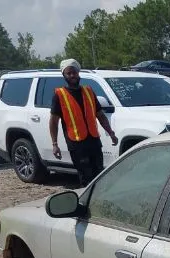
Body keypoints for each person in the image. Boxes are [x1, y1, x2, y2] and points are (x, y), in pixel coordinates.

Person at [49, 58, 118, 186]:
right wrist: (54, 144)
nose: (72, 75)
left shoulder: (89, 91)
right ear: (64, 75)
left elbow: (100, 115)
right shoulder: (59, 95)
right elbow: (53, 121)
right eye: (68, 73)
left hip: (94, 141)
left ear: (78, 73)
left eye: (74, 72)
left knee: (99, 174)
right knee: (86, 176)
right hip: (76, 144)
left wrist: (111, 133)